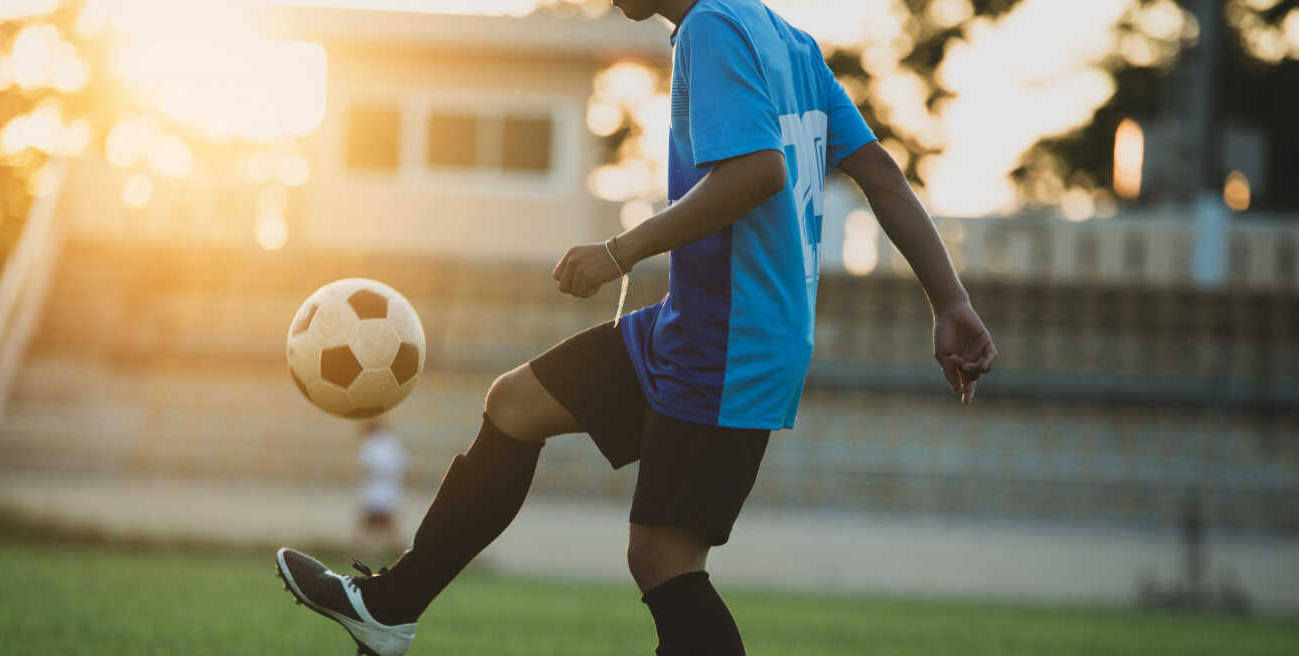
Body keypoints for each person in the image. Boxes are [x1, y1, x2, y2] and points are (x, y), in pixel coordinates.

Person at [273, 0, 997, 654]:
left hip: (730, 342)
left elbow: (756, 174)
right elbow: (879, 173)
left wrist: (620, 251)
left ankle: (392, 606)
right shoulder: (787, 40)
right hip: (695, 324)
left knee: (662, 559)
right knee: (514, 404)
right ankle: (389, 607)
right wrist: (949, 302)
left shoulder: (713, 28)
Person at [351, 419, 407, 559]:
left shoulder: (370, 443)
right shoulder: (392, 443)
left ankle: (356, 558)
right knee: (393, 530)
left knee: (362, 528)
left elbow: (365, 467)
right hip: (390, 491)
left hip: (373, 491)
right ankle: (405, 557)